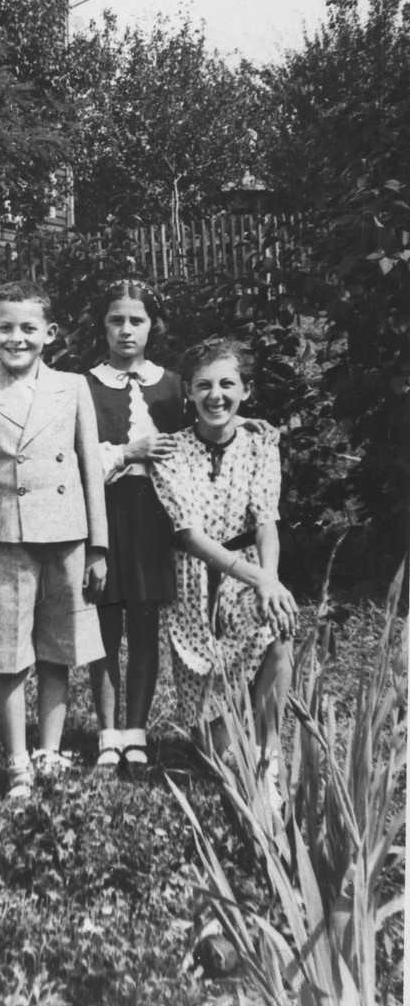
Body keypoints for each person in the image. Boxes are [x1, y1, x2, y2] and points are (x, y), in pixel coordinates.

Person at [0, 280, 108, 800]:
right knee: (10, 650)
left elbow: (90, 468)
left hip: (66, 535)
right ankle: (18, 760)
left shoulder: (74, 387)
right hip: (7, 539)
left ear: (50, 333)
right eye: (5, 328)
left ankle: (50, 751)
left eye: (27, 328)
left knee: (58, 648)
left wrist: (99, 546)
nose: (16, 338)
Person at [150, 338, 297, 806]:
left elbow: (265, 519)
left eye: (227, 384)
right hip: (194, 580)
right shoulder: (172, 453)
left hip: (249, 573)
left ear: (246, 391)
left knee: (280, 630)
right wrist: (262, 581)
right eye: (204, 386)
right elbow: (189, 535)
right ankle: (229, 735)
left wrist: (267, 580)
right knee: (210, 751)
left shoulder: (259, 443)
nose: (216, 395)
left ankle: (268, 757)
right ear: (189, 394)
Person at [85, 278, 185, 779]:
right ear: (103, 326)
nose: (126, 330)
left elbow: (195, 440)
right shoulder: (85, 384)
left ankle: (136, 732)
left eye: (137, 320)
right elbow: (79, 462)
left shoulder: (171, 385)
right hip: (102, 512)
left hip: (153, 515)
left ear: (153, 326)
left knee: (145, 623)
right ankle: (107, 733)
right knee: (103, 621)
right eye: (116, 320)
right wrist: (129, 453)